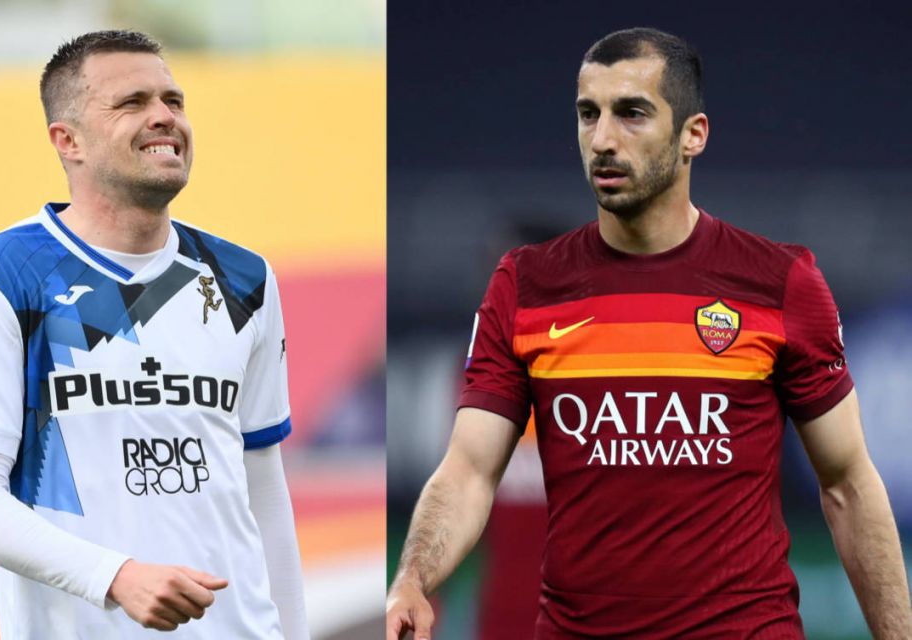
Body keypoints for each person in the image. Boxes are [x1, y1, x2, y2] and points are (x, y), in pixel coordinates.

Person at [386, 27, 912, 639]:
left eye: (631, 113)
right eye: (589, 114)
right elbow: (469, 471)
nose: (602, 139)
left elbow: (847, 482)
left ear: (694, 134)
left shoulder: (780, 283)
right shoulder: (525, 287)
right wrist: (413, 578)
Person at [0, 30, 308, 639]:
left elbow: (262, 485)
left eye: (173, 101)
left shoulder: (244, 277)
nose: (164, 118)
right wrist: (116, 577)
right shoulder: (4, 273)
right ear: (67, 140)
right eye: (132, 102)